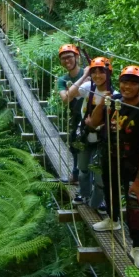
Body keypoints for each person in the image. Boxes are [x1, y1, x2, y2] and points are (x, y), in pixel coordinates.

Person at [89, 65, 139, 270]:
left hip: (132, 165)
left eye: (133, 83)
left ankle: (137, 248)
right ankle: (113, 219)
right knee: (109, 189)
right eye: (124, 82)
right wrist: (102, 103)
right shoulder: (114, 101)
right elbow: (93, 122)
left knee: (135, 205)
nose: (127, 86)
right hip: (110, 157)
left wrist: (138, 181)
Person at [67, 57, 117, 213]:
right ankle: (84, 194)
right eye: (94, 72)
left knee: (100, 175)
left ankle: (97, 202)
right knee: (83, 169)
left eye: (101, 72)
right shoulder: (89, 87)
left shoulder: (115, 95)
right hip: (85, 135)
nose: (97, 76)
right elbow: (70, 94)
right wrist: (84, 75)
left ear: (109, 74)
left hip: (102, 139)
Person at [56, 44, 88, 184]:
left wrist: (72, 91)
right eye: (63, 58)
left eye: (69, 57)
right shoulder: (63, 80)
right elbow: (65, 99)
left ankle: (87, 179)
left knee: (90, 148)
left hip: (91, 117)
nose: (66, 61)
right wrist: (85, 77)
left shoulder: (89, 72)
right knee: (75, 145)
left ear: (77, 57)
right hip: (76, 116)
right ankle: (76, 174)